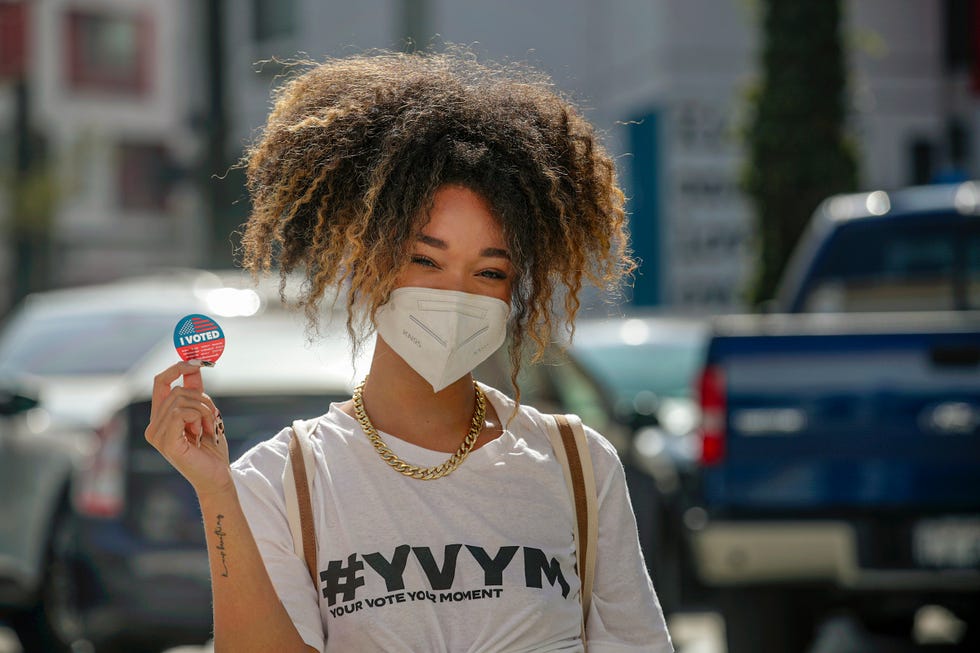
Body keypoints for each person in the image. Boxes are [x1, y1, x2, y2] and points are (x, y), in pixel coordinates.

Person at [145, 50, 674, 653]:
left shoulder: (578, 465)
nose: (455, 295)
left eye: (489, 273)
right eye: (426, 260)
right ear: (368, 262)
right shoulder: (280, 479)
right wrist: (215, 493)